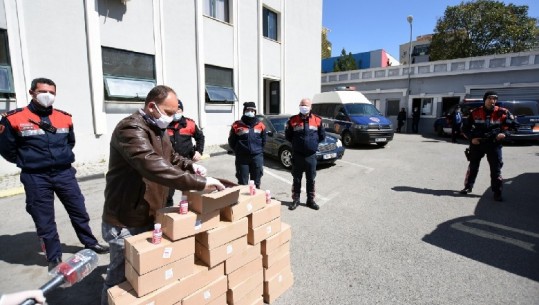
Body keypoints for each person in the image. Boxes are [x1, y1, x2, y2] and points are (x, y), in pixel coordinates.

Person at [100, 85, 225, 305]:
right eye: (168, 113)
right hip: (126, 219)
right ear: (151, 107)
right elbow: (152, 165)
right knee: (119, 279)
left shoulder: (157, 129)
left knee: (145, 273)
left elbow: (170, 157)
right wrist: (200, 183)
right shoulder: (130, 129)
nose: (172, 118)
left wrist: (190, 166)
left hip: (148, 212)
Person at [0, 77, 109, 271]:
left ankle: (90, 242)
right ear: (32, 92)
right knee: (44, 219)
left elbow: (70, 142)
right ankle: (54, 256)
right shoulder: (13, 118)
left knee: (79, 210)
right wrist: (27, 161)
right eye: (43, 91)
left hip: (64, 173)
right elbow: (6, 149)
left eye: (52, 92)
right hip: (35, 176)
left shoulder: (64, 117)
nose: (48, 96)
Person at [459, 91, 516, 201]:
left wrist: (504, 134)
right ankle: (468, 187)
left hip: (494, 145)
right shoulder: (475, 112)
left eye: (494, 99)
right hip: (478, 144)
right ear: (484, 100)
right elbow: (465, 128)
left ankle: (497, 192)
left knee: (496, 169)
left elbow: (513, 127)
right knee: (473, 166)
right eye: (489, 98)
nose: (492, 101)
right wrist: (472, 138)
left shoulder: (503, 112)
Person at [285, 98, 325, 211]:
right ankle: (296, 200)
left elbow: (322, 136)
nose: (304, 106)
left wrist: (312, 144)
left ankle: (310, 200)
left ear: (311, 107)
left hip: (311, 156)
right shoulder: (292, 120)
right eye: (302, 104)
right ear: (299, 106)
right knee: (296, 179)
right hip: (297, 155)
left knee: (311, 179)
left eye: (306, 105)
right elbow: (288, 136)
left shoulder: (317, 120)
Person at [165, 99, 205, 206]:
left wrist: (199, 151)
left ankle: (186, 213)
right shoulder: (164, 125)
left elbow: (200, 137)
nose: (176, 112)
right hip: (170, 163)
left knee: (187, 191)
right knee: (167, 192)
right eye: (174, 109)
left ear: (182, 110)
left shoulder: (190, 124)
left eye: (178, 109)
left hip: (187, 162)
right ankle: (168, 212)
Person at [228, 102, 266, 189]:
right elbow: (231, 141)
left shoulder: (261, 125)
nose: (250, 112)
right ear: (244, 111)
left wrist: (258, 151)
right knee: (242, 183)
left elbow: (264, 141)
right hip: (242, 158)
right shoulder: (236, 125)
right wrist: (238, 151)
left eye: (252, 110)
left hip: (257, 157)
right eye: (248, 110)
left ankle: (255, 201)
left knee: (256, 183)